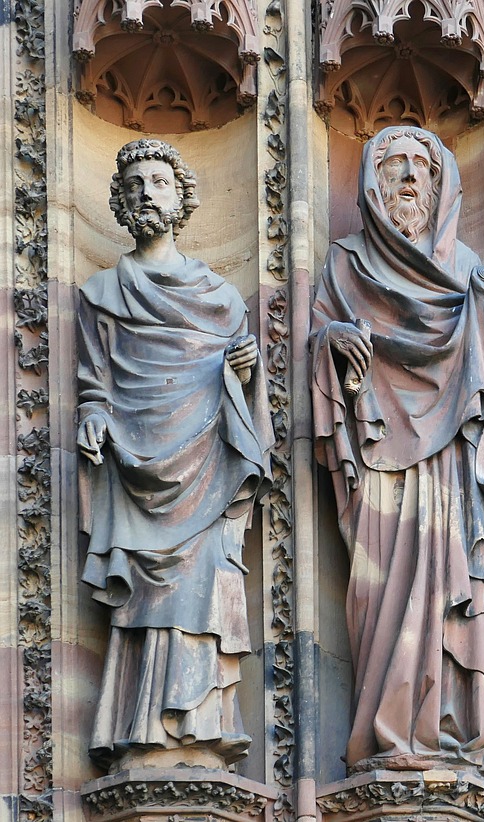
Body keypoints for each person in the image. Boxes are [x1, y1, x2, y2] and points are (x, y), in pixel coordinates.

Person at [311, 126, 484, 772]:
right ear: (372, 185)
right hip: (378, 461)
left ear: (439, 184)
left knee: (443, 591)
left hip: (447, 470)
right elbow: (319, 350)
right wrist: (332, 345)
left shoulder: (472, 278)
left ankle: (445, 727)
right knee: (378, 595)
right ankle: (387, 732)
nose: (407, 177)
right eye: (392, 165)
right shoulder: (345, 267)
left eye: (419, 167)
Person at [78, 139, 269, 771]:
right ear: (119, 204)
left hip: (206, 464)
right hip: (136, 466)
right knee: (141, 597)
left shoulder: (220, 298)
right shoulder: (101, 294)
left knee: (206, 592)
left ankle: (204, 726)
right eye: (132, 185)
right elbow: (95, 381)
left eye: (158, 182)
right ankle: (141, 729)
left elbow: (243, 393)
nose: (144, 194)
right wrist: (93, 414)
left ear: (181, 198)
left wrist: (242, 376)